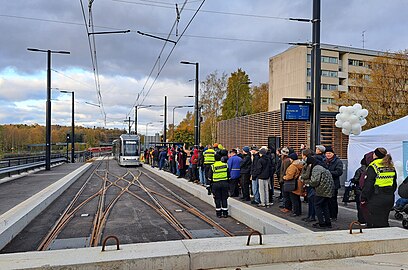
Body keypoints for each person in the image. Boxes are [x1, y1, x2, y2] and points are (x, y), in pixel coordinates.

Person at [361, 147, 397, 228]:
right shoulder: (390, 166)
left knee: (375, 223)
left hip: (376, 197)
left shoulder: (373, 166)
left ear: (375, 155)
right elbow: (394, 184)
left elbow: (368, 185)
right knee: (384, 221)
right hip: (389, 197)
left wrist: (363, 197)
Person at [307, 156, 334, 229]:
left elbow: (315, 181)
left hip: (321, 189)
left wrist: (309, 183)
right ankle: (328, 223)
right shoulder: (323, 166)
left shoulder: (316, 168)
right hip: (328, 189)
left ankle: (321, 223)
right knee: (325, 206)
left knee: (317, 206)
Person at [207, 154, 230, 218]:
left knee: (217, 199)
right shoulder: (225, 165)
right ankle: (225, 213)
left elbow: (209, 178)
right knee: (224, 198)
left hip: (216, 184)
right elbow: (228, 175)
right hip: (224, 183)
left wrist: (208, 187)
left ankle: (219, 213)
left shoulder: (213, 166)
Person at [324, 146, 343, 221]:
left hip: (333, 184)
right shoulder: (324, 160)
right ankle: (327, 214)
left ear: (333, 153)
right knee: (326, 200)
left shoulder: (338, 161)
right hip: (325, 184)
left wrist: (328, 173)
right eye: (327, 153)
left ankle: (333, 215)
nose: (328, 155)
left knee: (333, 201)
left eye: (329, 153)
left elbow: (339, 172)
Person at [301, 148, 316, 222]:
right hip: (308, 183)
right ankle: (310, 215)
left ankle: (312, 216)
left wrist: (301, 176)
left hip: (310, 183)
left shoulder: (310, 163)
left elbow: (307, 174)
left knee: (311, 200)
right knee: (310, 200)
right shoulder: (308, 163)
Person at [280, 147, 292, 213]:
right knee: (286, 194)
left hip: (285, 179)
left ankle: (287, 207)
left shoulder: (286, 161)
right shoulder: (286, 160)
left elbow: (284, 170)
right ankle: (287, 206)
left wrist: (282, 178)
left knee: (286, 194)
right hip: (285, 179)